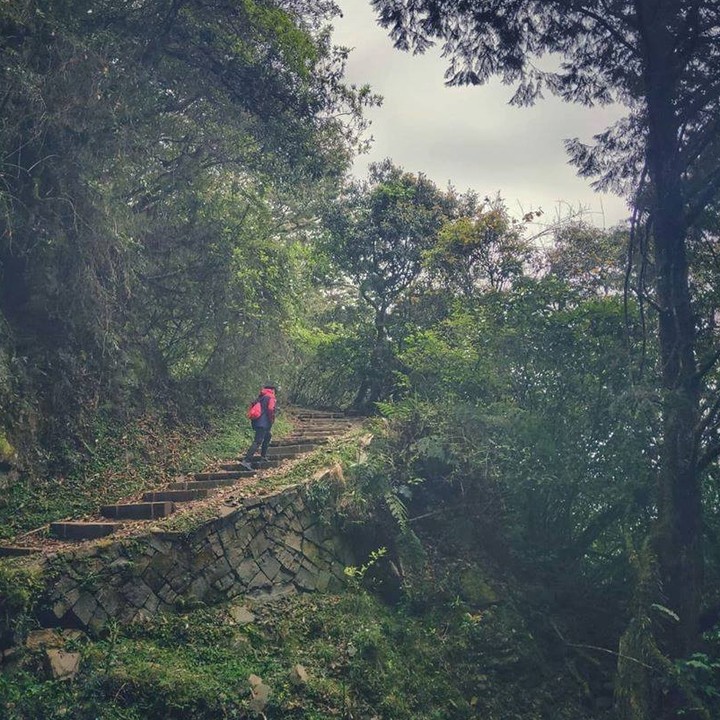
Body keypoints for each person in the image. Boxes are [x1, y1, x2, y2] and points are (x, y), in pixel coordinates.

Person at [241, 383, 277, 469]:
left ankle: (263, 456)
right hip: (263, 422)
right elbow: (270, 408)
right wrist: (271, 418)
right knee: (258, 441)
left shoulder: (261, 396)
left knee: (268, 436)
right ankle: (246, 461)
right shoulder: (271, 396)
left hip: (257, 421)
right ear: (272, 390)